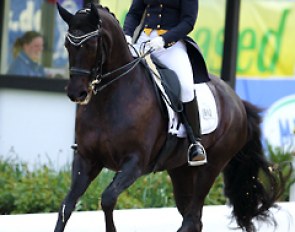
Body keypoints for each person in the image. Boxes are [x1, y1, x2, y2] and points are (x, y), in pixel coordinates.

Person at [123, 0, 208, 166]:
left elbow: (188, 21)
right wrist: (126, 34)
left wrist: (164, 39)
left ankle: (194, 142)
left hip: (171, 45)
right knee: (118, 72)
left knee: (185, 87)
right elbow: (134, 13)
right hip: (143, 40)